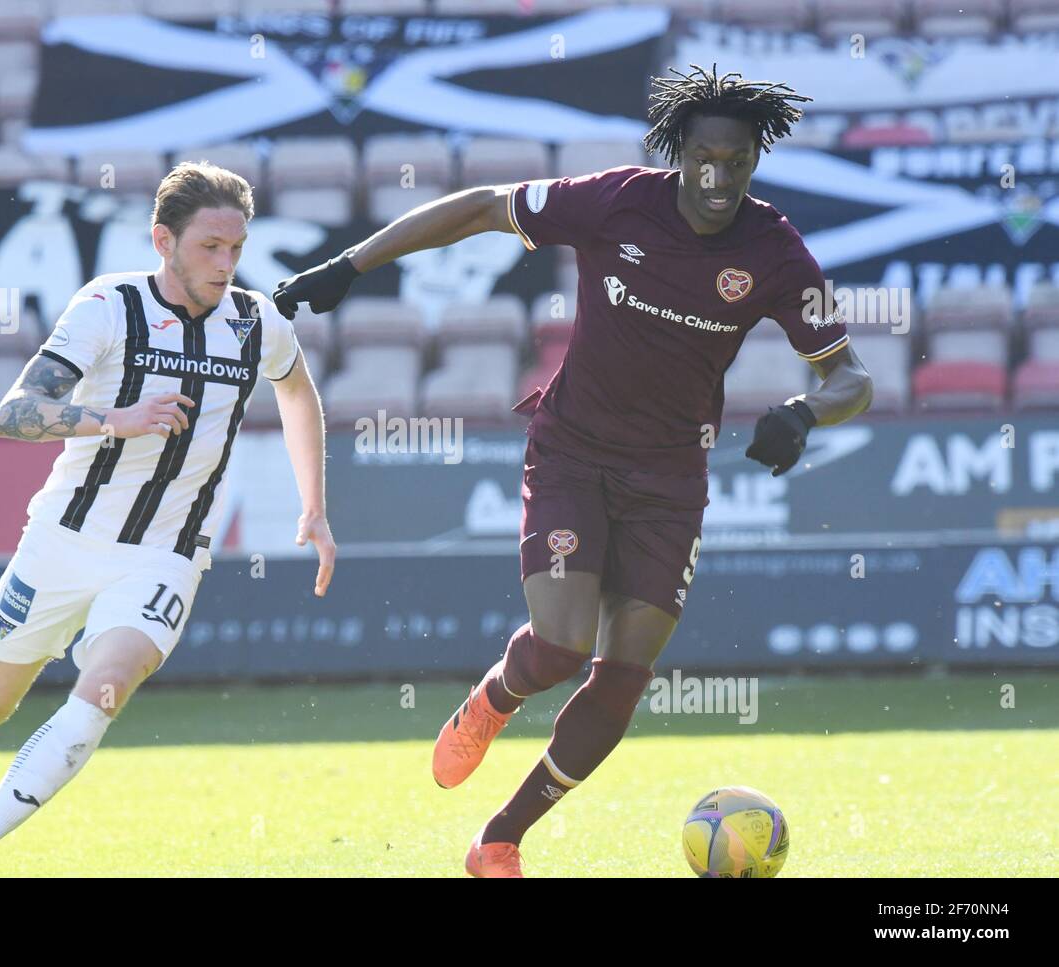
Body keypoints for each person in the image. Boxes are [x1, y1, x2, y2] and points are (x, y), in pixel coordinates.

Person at [272, 65, 873, 877]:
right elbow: (485, 206)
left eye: (737, 161)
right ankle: (493, 699)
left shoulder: (773, 251)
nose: (719, 177)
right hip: (574, 451)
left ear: (755, 161)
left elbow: (850, 375)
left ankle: (499, 839)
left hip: (670, 480)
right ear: (679, 151)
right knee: (560, 645)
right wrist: (351, 264)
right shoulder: (617, 200)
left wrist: (804, 412)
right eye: (705, 157)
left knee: (624, 676)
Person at [0, 161, 336, 877]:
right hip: (65, 538)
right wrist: (114, 418)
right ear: (162, 240)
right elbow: (14, 414)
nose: (226, 265)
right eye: (210, 248)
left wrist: (313, 504)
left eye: (237, 248)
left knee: (107, 685)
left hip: (165, 554)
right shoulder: (108, 306)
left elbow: (296, 392)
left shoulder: (256, 322)